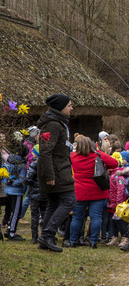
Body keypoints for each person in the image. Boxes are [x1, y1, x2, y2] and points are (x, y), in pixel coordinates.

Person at [36, 94, 76, 252]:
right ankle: (47, 235)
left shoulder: (59, 123)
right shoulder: (53, 124)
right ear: (60, 107)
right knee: (70, 201)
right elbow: (45, 152)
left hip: (59, 169)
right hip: (56, 171)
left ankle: (45, 240)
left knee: (53, 203)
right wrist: (50, 176)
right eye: (69, 105)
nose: (71, 108)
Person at [68, 135, 118, 248]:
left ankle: (72, 240)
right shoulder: (98, 155)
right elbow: (115, 163)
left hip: (80, 191)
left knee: (77, 217)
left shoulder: (73, 156)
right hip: (97, 191)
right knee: (95, 217)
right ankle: (93, 241)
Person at [3, 141, 29, 241]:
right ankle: (12, 233)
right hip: (16, 191)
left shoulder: (8, 160)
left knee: (13, 211)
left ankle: (9, 228)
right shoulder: (21, 164)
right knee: (16, 212)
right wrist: (22, 181)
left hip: (8, 189)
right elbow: (22, 179)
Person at [25, 145, 48, 244]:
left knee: (34, 215)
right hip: (45, 192)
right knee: (45, 214)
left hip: (34, 193)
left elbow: (28, 178)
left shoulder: (34, 164)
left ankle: (34, 237)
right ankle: (44, 235)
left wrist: (28, 183)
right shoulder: (48, 164)